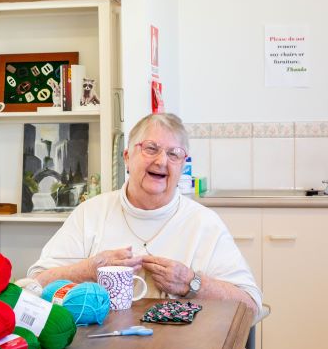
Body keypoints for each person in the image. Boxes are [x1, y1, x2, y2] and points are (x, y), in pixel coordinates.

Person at [27, 113, 262, 316]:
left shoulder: (204, 223)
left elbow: (250, 306)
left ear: (182, 165)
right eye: (151, 149)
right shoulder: (91, 213)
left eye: (174, 154)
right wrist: (89, 270)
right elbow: (35, 285)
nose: (161, 161)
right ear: (127, 157)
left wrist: (192, 283)